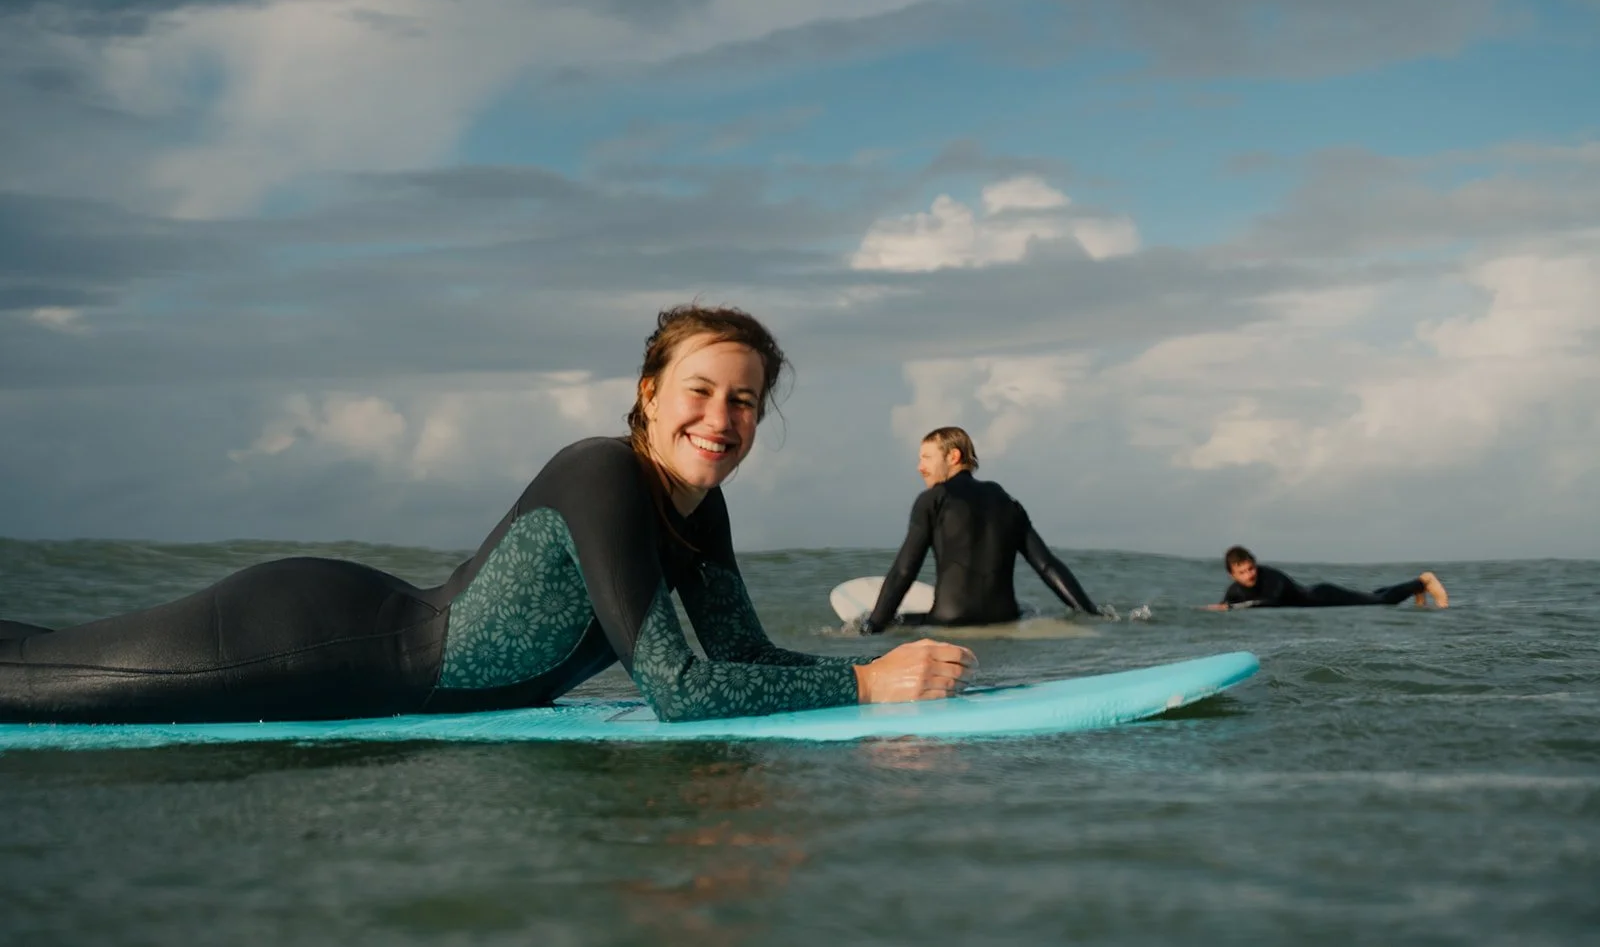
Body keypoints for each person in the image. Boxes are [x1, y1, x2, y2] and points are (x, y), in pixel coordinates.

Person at [0, 304, 977, 725]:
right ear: (646, 392)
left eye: (745, 399)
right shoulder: (602, 471)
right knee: (34, 682)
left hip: (353, 646)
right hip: (307, 640)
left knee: (45, 646)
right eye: (699, 389)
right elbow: (680, 689)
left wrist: (878, 673)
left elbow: (740, 656)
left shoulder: (697, 513)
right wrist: (862, 690)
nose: (719, 417)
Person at [860, 426, 1099, 633]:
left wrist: (874, 625)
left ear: (953, 456)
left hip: (949, 622)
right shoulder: (1007, 501)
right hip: (1005, 618)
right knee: (1029, 609)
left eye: (927, 457)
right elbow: (1046, 565)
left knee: (892, 621)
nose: (919, 467)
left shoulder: (933, 499)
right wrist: (1091, 613)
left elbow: (904, 570)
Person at [1204, 545, 1449, 611]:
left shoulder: (1271, 578)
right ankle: (1414, 588)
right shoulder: (1235, 592)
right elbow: (1228, 606)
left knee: (1381, 602)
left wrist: (1233, 608)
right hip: (1322, 601)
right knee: (1373, 597)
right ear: (1232, 574)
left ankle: (1423, 582)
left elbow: (1273, 602)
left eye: (1251, 568)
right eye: (1242, 572)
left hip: (1325, 596)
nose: (1249, 575)